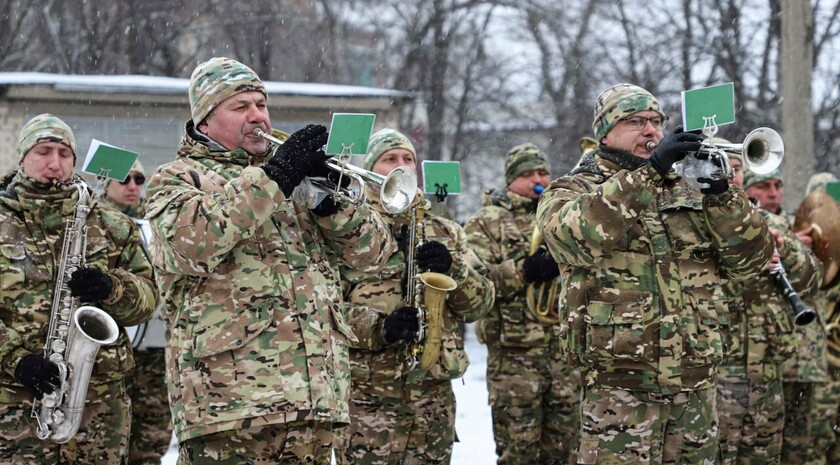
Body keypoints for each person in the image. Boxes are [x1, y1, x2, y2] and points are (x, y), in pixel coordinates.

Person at [144, 57, 396, 464]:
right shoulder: (177, 178)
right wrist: (275, 177)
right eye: (240, 107)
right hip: (231, 407)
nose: (257, 116)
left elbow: (373, 256)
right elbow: (194, 244)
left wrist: (330, 203)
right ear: (205, 120)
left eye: (261, 104)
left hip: (315, 403)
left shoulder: (298, 181)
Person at [536, 83, 775, 464]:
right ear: (605, 132)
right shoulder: (572, 188)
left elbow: (753, 261)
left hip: (694, 388)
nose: (651, 131)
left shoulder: (688, 188)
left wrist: (722, 197)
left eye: (656, 121)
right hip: (620, 392)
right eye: (635, 122)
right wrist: (650, 173)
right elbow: (573, 237)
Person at [0, 114, 158, 464]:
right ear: (22, 156)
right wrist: (15, 360)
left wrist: (112, 289)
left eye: (64, 153)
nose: (54, 163)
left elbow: (148, 300)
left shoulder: (111, 223)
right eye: (43, 151)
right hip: (13, 404)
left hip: (100, 403)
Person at [333, 128, 494, 465]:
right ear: (370, 168)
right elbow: (325, 308)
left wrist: (455, 270)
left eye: (408, 159)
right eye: (390, 159)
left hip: (432, 400)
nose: (401, 165)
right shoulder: (344, 225)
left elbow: (481, 304)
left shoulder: (445, 229)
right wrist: (381, 328)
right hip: (368, 400)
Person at [463, 142, 580, 465]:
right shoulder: (486, 220)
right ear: (510, 179)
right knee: (519, 450)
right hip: (514, 356)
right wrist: (526, 270)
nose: (537, 179)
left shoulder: (559, 214)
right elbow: (475, 281)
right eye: (527, 174)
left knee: (566, 449)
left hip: (563, 352)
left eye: (542, 172)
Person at [714, 156, 822, 465]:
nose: (731, 177)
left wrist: (784, 249)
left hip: (768, 371)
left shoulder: (771, 222)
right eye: (726, 170)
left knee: (766, 455)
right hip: (721, 369)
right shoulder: (695, 223)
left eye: (736, 170)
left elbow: (811, 281)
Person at [748, 169, 837, 465]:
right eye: (764, 186)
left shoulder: (800, 227)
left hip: (808, 363)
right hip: (769, 364)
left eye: (778, 185)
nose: (774, 193)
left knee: (806, 449)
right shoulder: (745, 228)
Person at [101, 160, 172, 465]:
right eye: (123, 178)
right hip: (111, 345)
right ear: (105, 183)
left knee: (151, 435)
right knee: (108, 430)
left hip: (154, 346)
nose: (132, 186)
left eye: (139, 179)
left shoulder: (158, 221)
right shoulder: (95, 222)